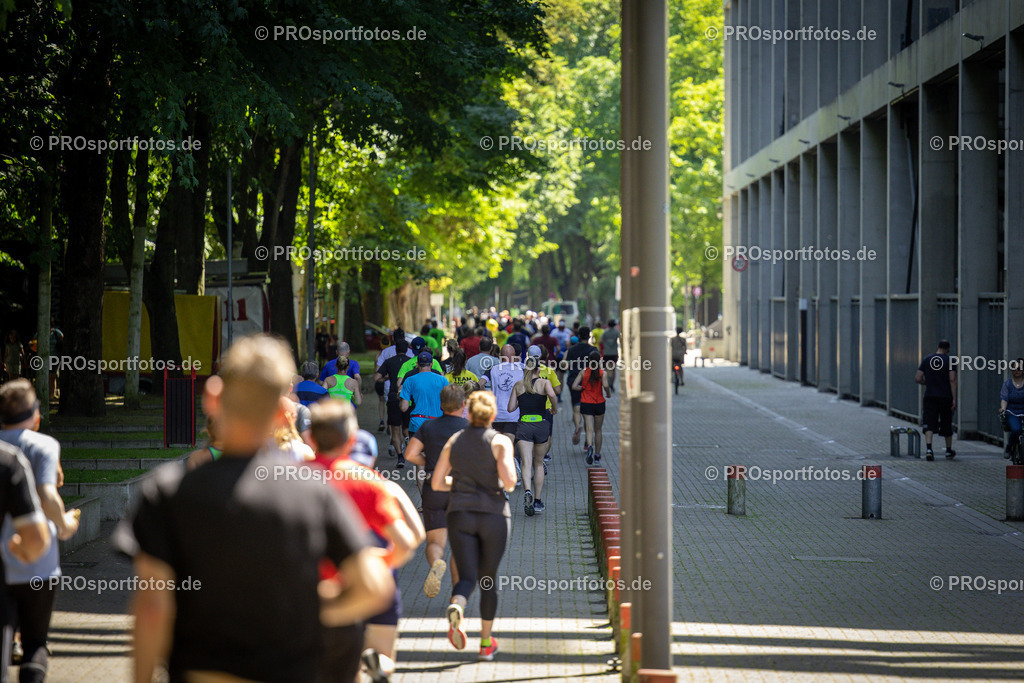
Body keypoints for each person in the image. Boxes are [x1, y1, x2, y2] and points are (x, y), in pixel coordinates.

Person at [113, 334, 394, 683]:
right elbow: (374, 587)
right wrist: (310, 611)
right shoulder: (315, 492)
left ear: (212, 397)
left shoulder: (167, 492)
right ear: (283, 412)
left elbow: (152, 607)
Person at [309, 402, 424, 683]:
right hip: (372, 589)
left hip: (314, 590)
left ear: (311, 439)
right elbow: (407, 541)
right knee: (381, 652)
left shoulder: (290, 478)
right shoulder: (370, 481)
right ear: (350, 439)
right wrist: (380, 563)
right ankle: (378, 664)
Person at [0, 380, 77, 683]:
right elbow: (47, 495)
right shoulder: (43, 445)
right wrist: (65, 525)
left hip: (2, 562)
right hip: (38, 564)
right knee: (36, 644)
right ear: (35, 415)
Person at [430, 391, 516, 661]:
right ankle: (486, 644)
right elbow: (510, 482)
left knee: (466, 576)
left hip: (459, 514)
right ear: (492, 414)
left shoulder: (454, 440)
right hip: (493, 515)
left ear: (467, 411)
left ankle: (457, 604)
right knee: (488, 579)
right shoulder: (500, 441)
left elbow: (436, 483)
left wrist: (459, 484)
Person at [404, 386, 468, 598]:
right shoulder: (470, 428)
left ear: (441, 405)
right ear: (463, 405)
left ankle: (436, 563)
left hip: (434, 487)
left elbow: (410, 454)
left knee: (434, 543)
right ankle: (457, 597)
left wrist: (431, 462)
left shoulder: (428, 426)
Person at [508, 354, 558, 516]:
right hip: (541, 424)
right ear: (538, 369)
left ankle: (527, 490)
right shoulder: (544, 383)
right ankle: (537, 500)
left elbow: (510, 408)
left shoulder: (518, 385)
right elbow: (552, 395)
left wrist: (521, 401)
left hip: (524, 426)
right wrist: (554, 408)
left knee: (526, 463)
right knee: (538, 464)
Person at [398, 353, 451, 469]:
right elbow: (449, 404)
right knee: (438, 461)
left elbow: (403, 408)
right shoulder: (443, 380)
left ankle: (422, 481)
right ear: (431, 364)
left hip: (417, 424)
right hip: (437, 424)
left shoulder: (409, 380)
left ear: (417, 364)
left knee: (420, 465)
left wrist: (400, 397)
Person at [914, 339, 957, 461]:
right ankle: (948, 450)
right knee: (946, 422)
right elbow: (952, 379)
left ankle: (929, 449)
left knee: (929, 422)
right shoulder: (950, 360)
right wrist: (954, 398)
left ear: (937, 346)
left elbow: (918, 378)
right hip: (945, 397)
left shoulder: (927, 359)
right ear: (947, 349)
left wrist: (927, 382)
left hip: (930, 396)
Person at [572, 350, 611, 465]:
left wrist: (583, 388)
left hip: (586, 402)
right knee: (598, 430)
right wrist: (608, 393)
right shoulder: (602, 373)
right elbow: (606, 385)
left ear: (589, 360)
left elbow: (574, 386)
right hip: (599, 403)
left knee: (589, 428)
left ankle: (589, 446)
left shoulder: (583, 372)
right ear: (599, 361)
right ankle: (597, 456)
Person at [377, 337, 413, 461]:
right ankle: (408, 442)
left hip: (393, 396)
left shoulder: (389, 361)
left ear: (396, 349)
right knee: (406, 428)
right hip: (407, 398)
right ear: (407, 349)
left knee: (395, 429)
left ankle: (400, 457)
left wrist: (386, 378)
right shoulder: (411, 362)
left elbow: (377, 377)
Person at [563, 327, 596, 447]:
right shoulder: (593, 350)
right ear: (589, 336)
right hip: (589, 382)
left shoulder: (572, 349)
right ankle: (588, 440)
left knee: (576, 406)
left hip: (574, 380)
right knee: (588, 412)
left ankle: (577, 425)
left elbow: (565, 364)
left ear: (579, 336)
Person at [482, 346, 524, 437]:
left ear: (500, 355)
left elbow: (480, 383)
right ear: (514, 356)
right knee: (509, 444)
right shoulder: (521, 370)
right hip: (513, 415)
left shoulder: (492, 369)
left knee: (497, 443)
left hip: (496, 415)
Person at [999, 359, 1024, 457]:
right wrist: (1003, 409)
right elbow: (1004, 398)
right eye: (1014, 368)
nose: (1017, 370)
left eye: (1019, 368)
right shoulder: (1008, 383)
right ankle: (1009, 447)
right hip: (1012, 412)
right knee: (1016, 429)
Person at [602, 319, 621, 391]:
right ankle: (612, 384)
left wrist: (605, 344)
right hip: (614, 353)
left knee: (606, 369)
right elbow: (621, 340)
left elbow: (600, 340)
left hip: (606, 353)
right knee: (613, 369)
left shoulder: (605, 332)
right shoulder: (617, 332)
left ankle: (607, 380)